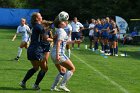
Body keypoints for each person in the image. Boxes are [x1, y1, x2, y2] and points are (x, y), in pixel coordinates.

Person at [19, 12, 48, 90]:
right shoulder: (39, 26)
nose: (42, 17)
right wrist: (55, 39)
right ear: (37, 18)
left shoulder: (34, 26)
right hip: (36, 50)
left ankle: (23, 82)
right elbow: (46, 38)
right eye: (40, 16)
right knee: (44, 68)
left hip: (30, 50)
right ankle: (35, 85)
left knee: (35, 68)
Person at [51, 20, 80, 92]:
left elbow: (64, 42)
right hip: (59, 53)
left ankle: (53, 87)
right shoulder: (62, 31)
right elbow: (58, 43)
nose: (65, 22)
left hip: (53, 54)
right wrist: (58, 55)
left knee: (62, 70)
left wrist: (74, 42)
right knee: (72, 68)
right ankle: (62, 85)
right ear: (60, 25)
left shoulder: (58, 30)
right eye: (63, 22)